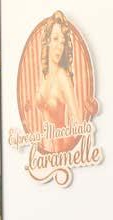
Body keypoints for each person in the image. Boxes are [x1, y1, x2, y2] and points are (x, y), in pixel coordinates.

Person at [33, 11, 96, 153]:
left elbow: (78, 121)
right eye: (55, 39)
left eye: (62, 42)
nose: (59, 46)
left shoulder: (63, 78)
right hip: (47, 152)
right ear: (48, 41)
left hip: (62, 149)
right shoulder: (45, 75)